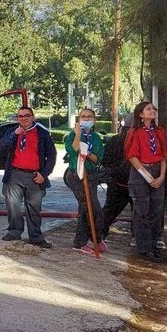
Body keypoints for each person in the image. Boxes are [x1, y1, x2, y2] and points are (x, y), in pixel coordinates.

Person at [0, 106, 56, 248]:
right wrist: (14, 135)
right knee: (12, 204)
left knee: (34, 207)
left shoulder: (42, 133)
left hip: (34, 175)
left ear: (32, 117)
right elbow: (1, 148)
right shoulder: (12, 132)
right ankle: (14, 231)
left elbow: (52, 155)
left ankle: (35, 236)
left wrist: (44, 174)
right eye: (20, 116)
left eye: (26, 115)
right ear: (17, 119)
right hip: (15, 174)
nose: (24, 118)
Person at [125, 101, 167, 263]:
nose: (153, 111)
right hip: (140, 173)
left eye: (154, 109)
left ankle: (155, 244)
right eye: (149, 109)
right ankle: (144, 248)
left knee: (157, 211)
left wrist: (162, 176)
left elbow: (164, 155)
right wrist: (149, 178)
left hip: (158, 171)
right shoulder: (135, 132)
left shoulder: (159, 132)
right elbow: (132, 157)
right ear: (141, 114)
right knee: (141, 212)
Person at [64, 108, 106, 255]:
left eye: (89, 117)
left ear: (94, 120)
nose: (86, 119)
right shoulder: (73, 135)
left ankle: (89, 239)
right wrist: (78, 135)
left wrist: (88, 153)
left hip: (92, 176)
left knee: (87, 209)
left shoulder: (96, 137)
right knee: (90, 207)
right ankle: (89, 239)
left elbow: (98, 158)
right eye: (83, 117)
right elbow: (73, 150)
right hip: (76, 175)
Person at [101, 114, 134, 242]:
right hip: (133, 183)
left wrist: (114, 172)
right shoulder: (137, 140)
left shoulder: (114, 140)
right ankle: (137, 237)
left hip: (117, 182)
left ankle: (100, 235)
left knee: (109, 211)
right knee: (138, 213)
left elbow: (105, 161)